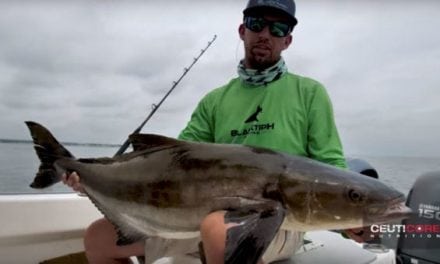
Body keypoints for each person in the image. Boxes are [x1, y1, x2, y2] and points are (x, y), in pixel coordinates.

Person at [64, 0, 368, 263]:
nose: (265, 34)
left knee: (216, 229)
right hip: (203, 217)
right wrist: (90, 177)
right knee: (97, 239)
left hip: (279, 221)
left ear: (287, 41)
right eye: (257, 24)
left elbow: (331, 168)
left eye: (277, 29)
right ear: (242, 30)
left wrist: (350, 222)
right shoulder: (215, 100)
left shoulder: (309, 93)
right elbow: (176, 160)